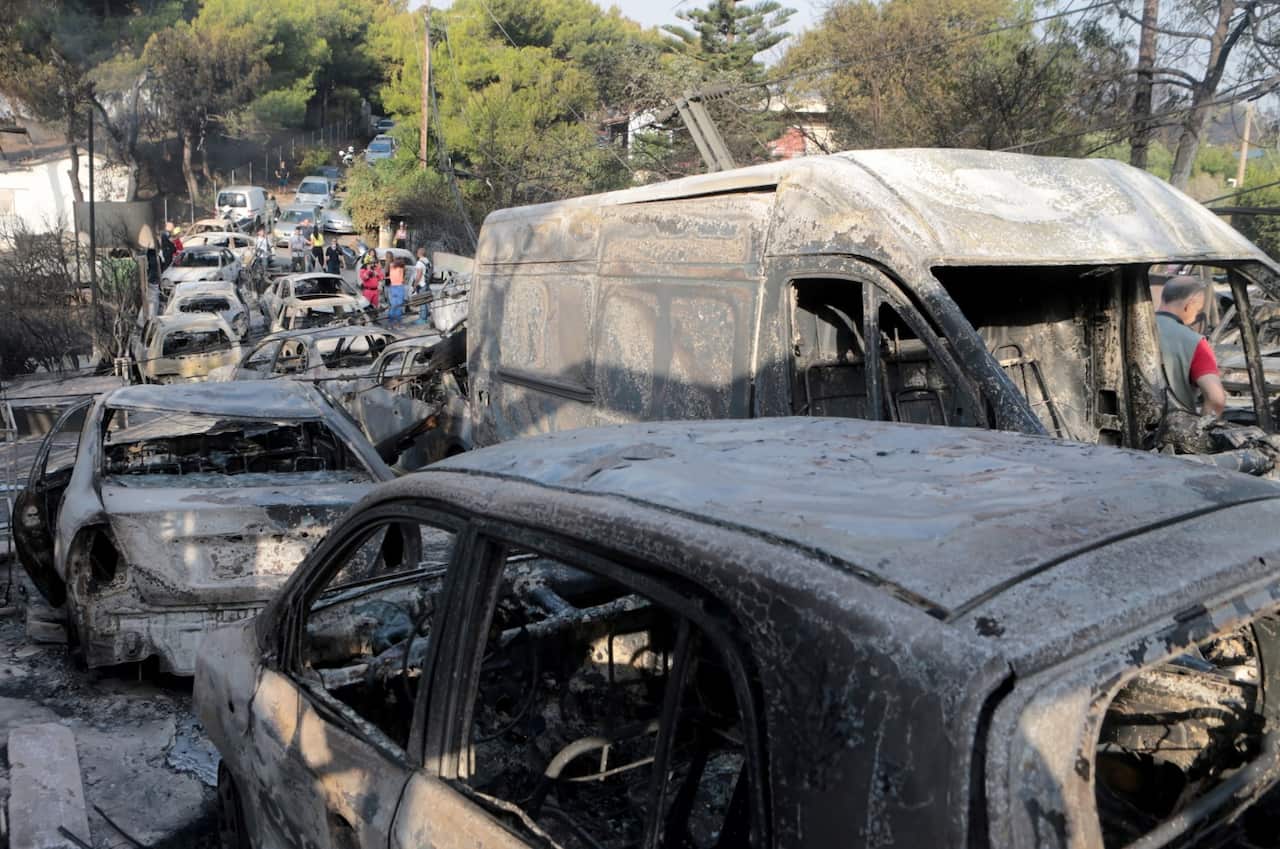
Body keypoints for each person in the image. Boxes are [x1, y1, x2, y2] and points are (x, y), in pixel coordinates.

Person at [1155, 275, 1226, 417]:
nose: (1195, 317)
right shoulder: (1194, 341)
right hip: (1171, 431)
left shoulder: (1128, 328)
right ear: (1190, 304)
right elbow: (1216, 399)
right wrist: (1200, 432)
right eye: (1198, 311)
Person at [412, 247, 433, 324]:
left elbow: (419, 274)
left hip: (421, 284)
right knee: (426, 300)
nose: (417, 253)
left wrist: (415, 284)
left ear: (419, 253)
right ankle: (427, 316)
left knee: (422, 301)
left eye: (417, 252)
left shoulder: (419, 263)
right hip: (426, 283)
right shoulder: (428, 261)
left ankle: (422, 318)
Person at [386, 257, 407, 327]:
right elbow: (403, 279)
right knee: (399, 306)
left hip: (392, 287)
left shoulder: (391, 266)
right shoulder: (401, 268)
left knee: (393, 306)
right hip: (399, 287)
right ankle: (398, 324)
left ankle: (390, 323)